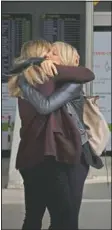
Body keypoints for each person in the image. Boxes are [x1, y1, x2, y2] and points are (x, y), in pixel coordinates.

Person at [8, 40, 102, 230]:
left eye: (53, 53)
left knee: (34, 216)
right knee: (64, 217)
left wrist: (35, 65)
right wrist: (38, 63)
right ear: (39, 59)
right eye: (47, 53)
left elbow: (86, 74)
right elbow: (45, 106)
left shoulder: (26, 82)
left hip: (30, 158)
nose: (50, 57)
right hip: (49, 157)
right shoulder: (38, 82)